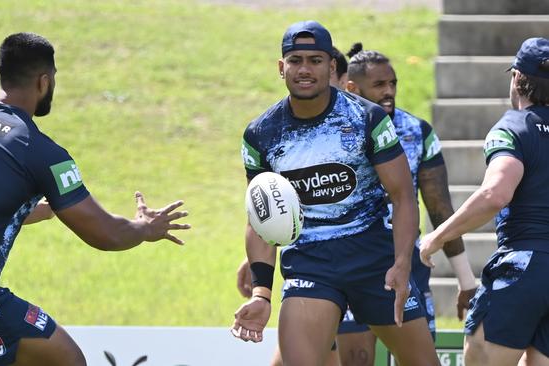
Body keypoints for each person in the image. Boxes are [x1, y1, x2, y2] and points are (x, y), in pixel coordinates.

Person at [0, 32, 190, 366]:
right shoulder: (38, 149)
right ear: (44, 81)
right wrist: (145, 228)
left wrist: (38, 210)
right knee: (67, 361)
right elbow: (106, 234)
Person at [230, 20, 440, 366]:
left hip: (375, 262)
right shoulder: (260, 134)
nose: (305, 69)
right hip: (311, 266)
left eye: (315, 60)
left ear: (331, 67)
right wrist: (261, 294)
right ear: (281, 68)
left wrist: (403, 263)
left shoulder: (366, 118)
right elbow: (261, 219)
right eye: (295, 60)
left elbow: (403, 195)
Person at [331, 44, 478, 366]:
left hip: (405, 262)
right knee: (356, 358)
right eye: (379, 85)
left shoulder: (416, 131)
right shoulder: (332, 133)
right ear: (352, 88)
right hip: (349, 259)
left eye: (393, 84)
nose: (389, 92)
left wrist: (466, 281)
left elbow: (440, 208)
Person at [420, 37, 549, 366]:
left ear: (516, 79)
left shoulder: (513, 128)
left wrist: (436, 237)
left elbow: (495, 194)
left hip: (525, 266)